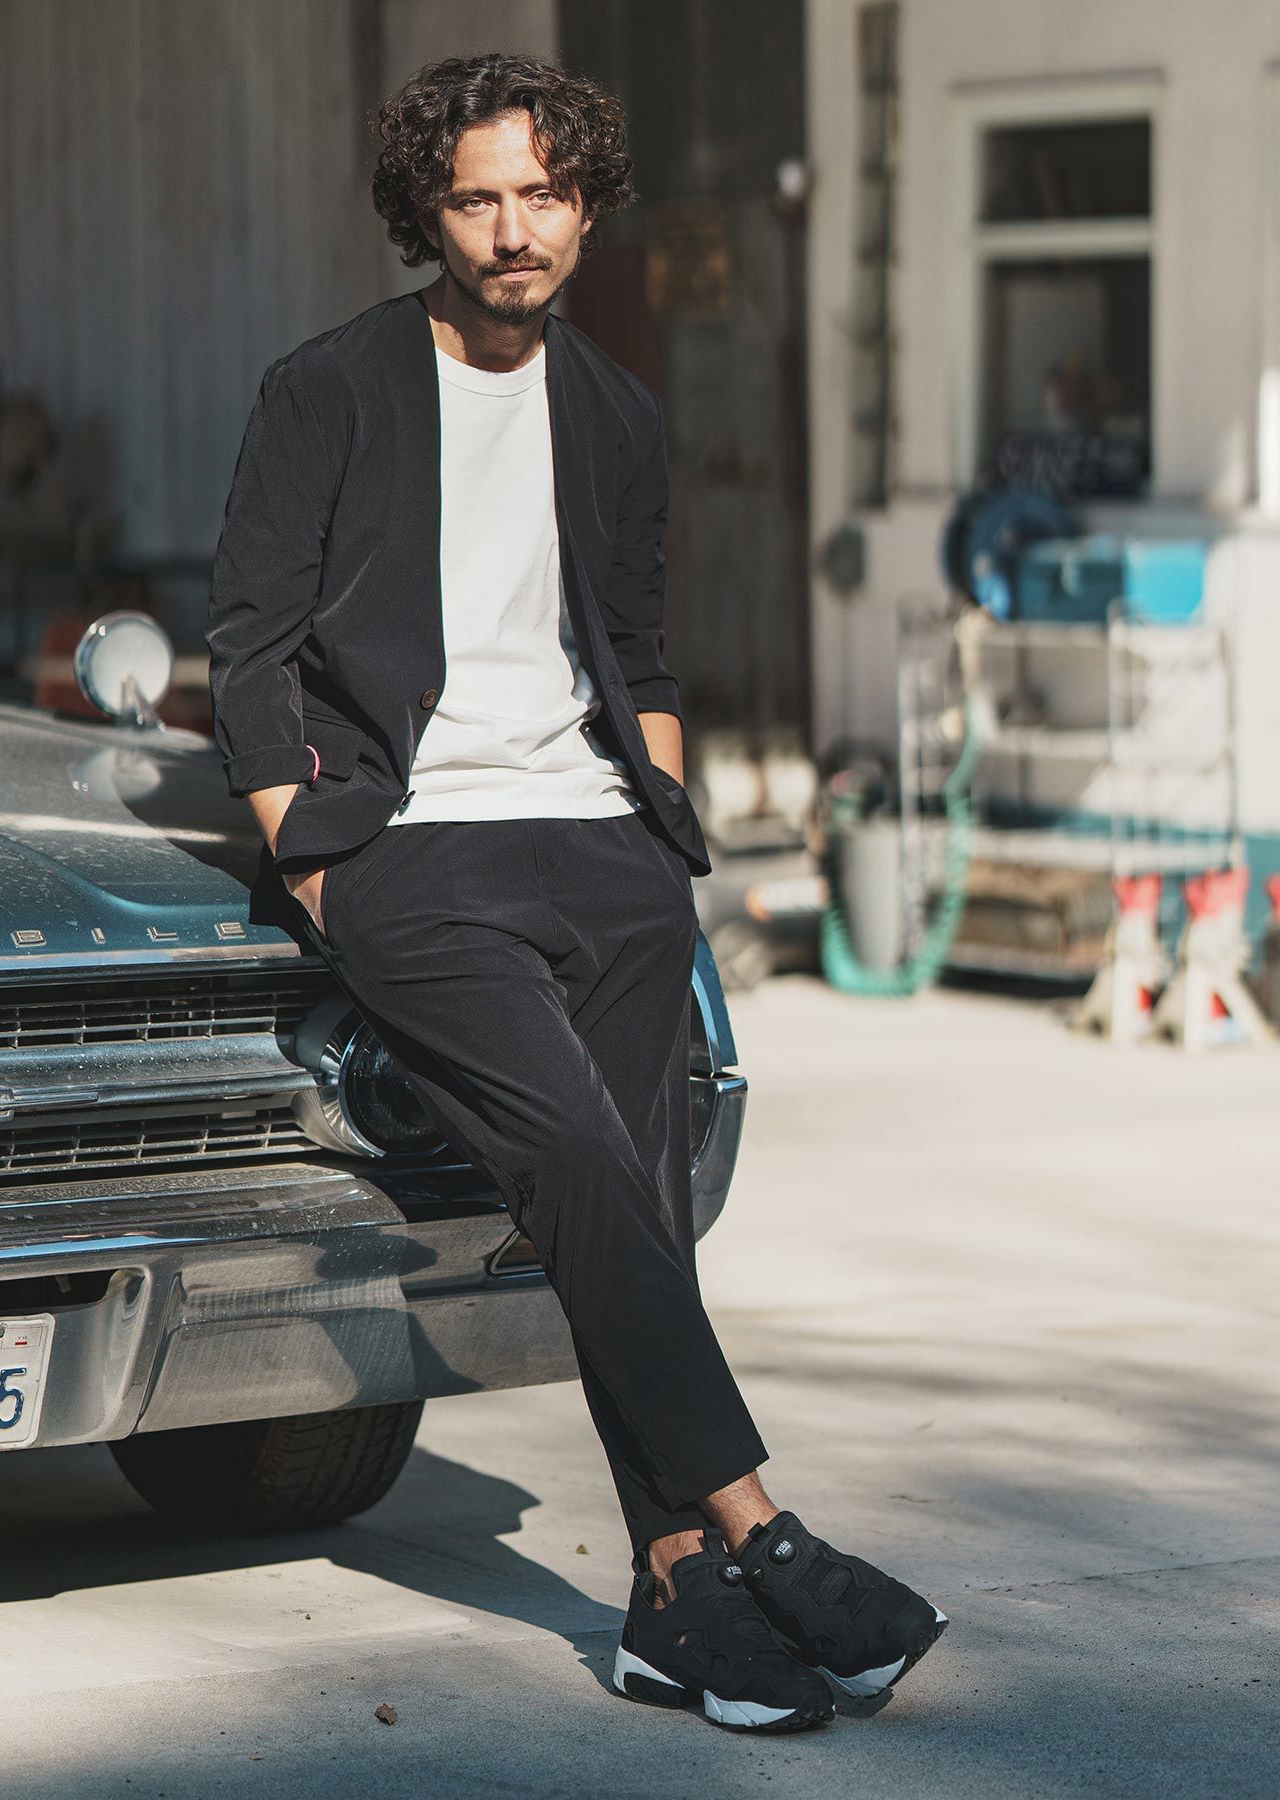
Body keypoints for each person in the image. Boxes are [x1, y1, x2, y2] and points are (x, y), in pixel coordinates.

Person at [206, 50, 945, 1734]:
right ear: (428, 211)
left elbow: (639, 640)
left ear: (587, 206)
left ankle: (674, 1597)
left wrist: (661, 827)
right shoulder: (329, 389)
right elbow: (248, 646)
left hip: (604, 848)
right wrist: (310, 853)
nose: (512, 228)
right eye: (476, 196)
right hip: (410, 853)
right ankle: (766, 1533)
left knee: (643, 1208)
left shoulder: (615, 410)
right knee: (580, 1169)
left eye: (542, 192)